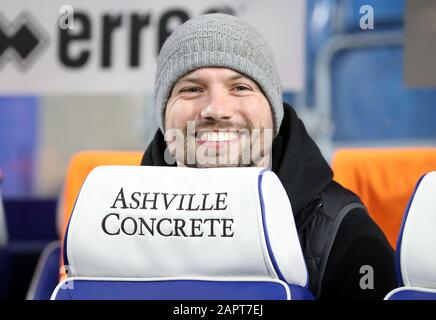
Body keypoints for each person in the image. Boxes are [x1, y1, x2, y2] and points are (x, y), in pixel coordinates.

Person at [141, 13, 396, 299]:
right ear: (163, 114)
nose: (216, 109)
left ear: (273, 113)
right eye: (191, 89)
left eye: (240, 88)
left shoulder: (345, 236)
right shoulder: (108, 225)